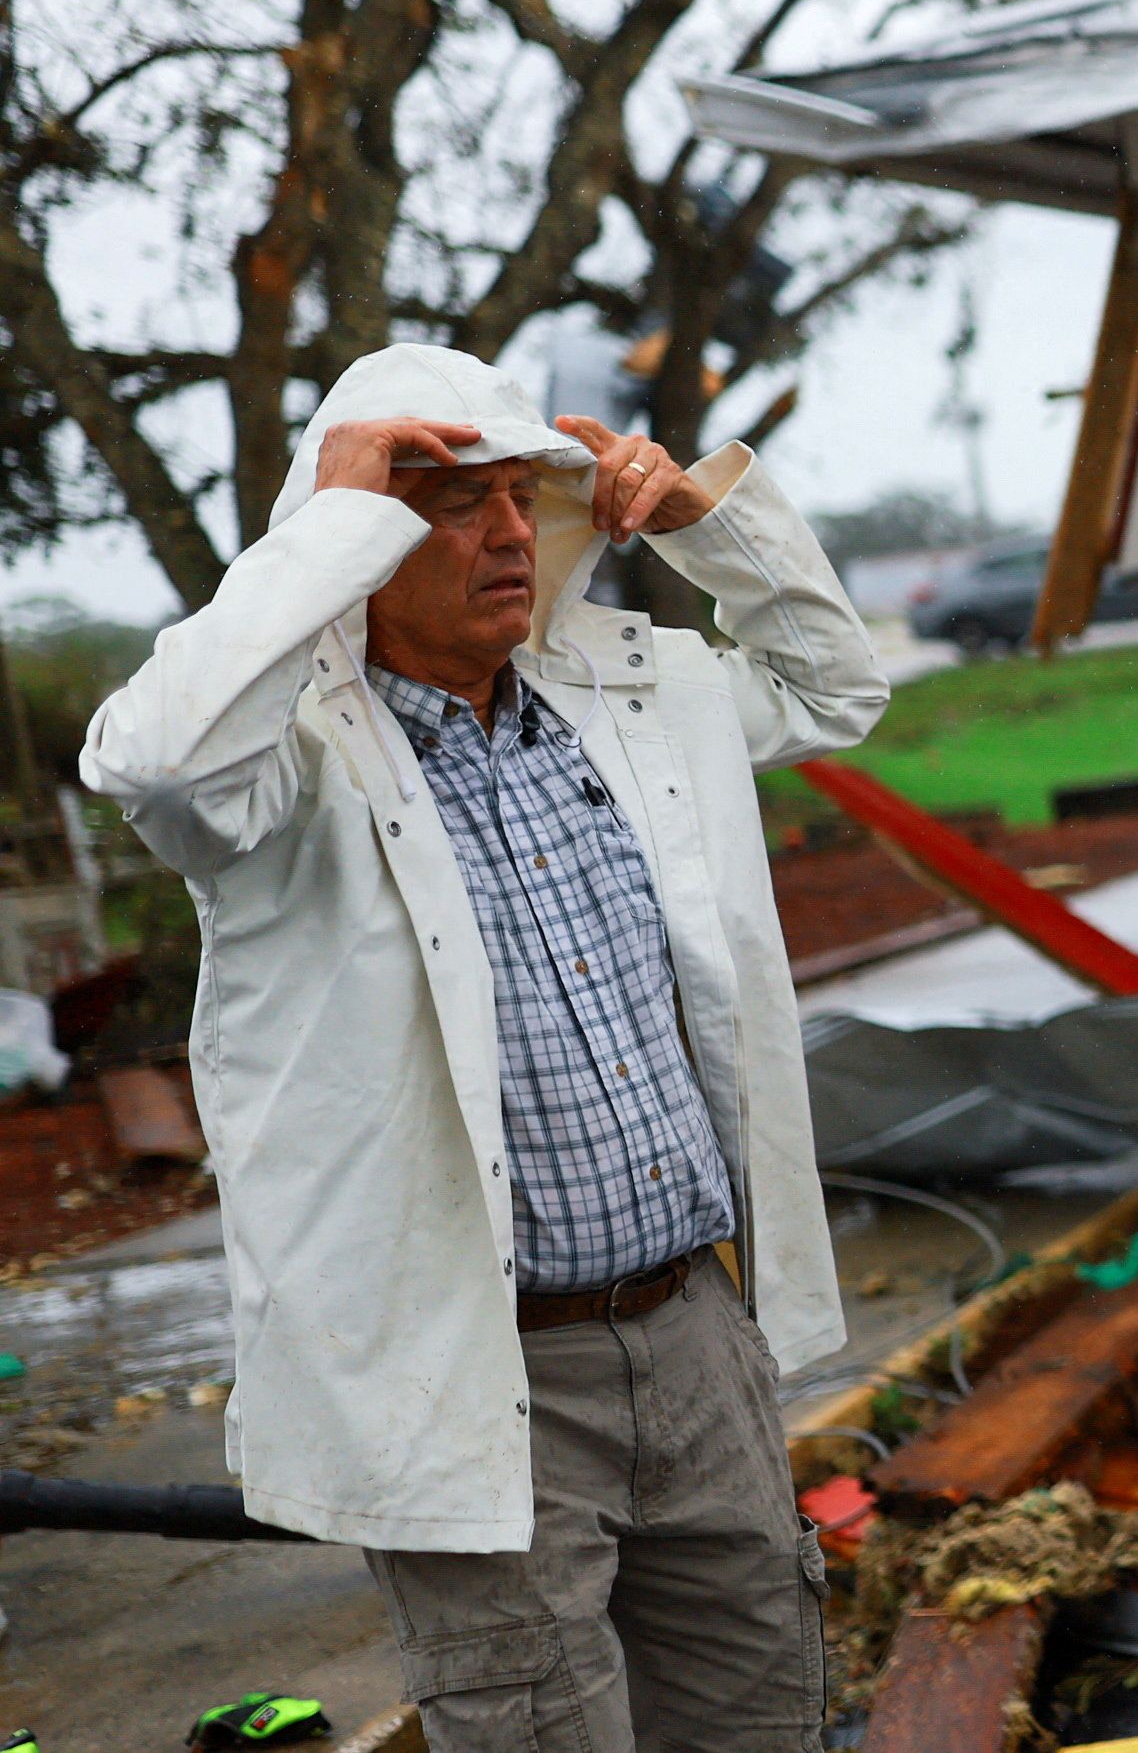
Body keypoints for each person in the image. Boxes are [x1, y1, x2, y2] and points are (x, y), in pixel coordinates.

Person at [82, 343, 888, 1748]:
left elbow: (835, 687)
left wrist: (711, 520)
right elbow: (152, 761)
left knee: (761, 1722)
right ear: (360, 533)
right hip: (485, 1376)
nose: (512, 532)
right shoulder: (284, 774)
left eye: (523, 496)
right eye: (456, 502)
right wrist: (330, 520)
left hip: (697, 1339)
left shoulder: (628, 698)